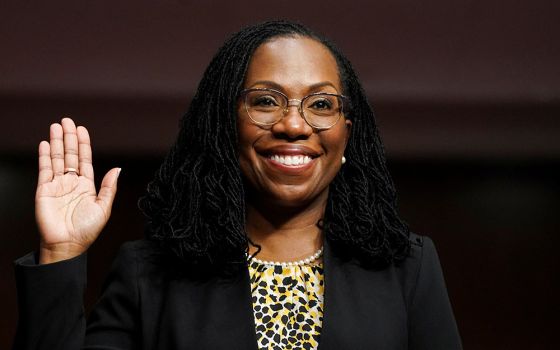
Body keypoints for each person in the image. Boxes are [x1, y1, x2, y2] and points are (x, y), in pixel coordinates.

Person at [13, 21, 462, 349]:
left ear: (347, 131)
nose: (293, 124)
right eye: (266, 101)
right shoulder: (149, 274)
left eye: (320, 103)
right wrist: (61, 255)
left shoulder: (408, 268)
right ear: (222, 126)